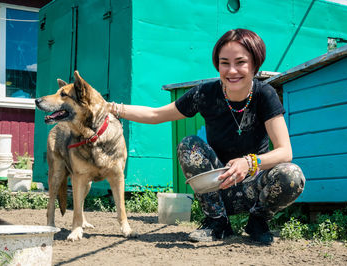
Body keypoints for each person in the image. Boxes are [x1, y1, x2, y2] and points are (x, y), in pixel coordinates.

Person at [111, 28, 305, 245]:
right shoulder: (205, 94)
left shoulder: (264, 95)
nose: (232, 71)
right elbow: (157, 114)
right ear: (217, 65)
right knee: (189, 145)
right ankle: (216, 222)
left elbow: (285, 151)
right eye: (224, 63)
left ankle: (258, 222)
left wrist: (250, 162)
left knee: (292, 174)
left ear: (254, 64)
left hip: (254, 188)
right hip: (218, 187)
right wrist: (114, 108)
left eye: (240, 62)